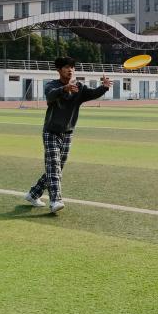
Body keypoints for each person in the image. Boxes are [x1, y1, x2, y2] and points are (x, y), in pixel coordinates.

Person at [23, 56, 110, 214]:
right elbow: (50, 95)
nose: (70, 70)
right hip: (51, 131)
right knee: (54, 165)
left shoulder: (79, 87)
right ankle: (55, 200)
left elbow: (92, 93)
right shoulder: (52, 85)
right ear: (59, 70)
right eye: (66, 67)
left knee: (56, 168)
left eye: (72, 67)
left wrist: (103, 87)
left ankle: (33, 194)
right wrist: (64, 89)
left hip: (68, 133)